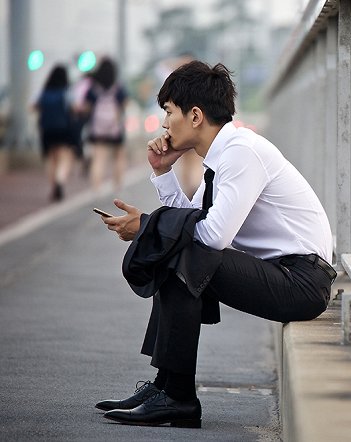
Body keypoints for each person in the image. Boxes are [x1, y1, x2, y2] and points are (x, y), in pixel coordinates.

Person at [95, 61, 335, 428]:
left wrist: (146, 226)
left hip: (301, 283)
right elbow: (192, 223)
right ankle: (166, 387)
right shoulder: (224, 156)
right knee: (178, 246)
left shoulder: (241, 153)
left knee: (183, 253)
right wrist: (163, 172)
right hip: (287, 273)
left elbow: (210, 236)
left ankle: (177, 397)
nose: (163, 124)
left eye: (168, 112)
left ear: (194, 115)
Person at [85, 57, 128, 191]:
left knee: (98, 158)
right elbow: (124, 105)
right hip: (115, 129)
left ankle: (96, 189)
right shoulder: (118, 88)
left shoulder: (93, 89)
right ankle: (118, 186)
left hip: (97, 129)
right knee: (119, 157)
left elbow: (86, 108)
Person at [34, 64, 75, 201]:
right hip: (63, 128)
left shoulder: (44, 92)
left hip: (46, 129)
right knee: (64, 157)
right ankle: (60, 180)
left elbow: (33, 106)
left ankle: (53, 187)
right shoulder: (66, 92)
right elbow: (73, 107)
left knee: (51, 159)